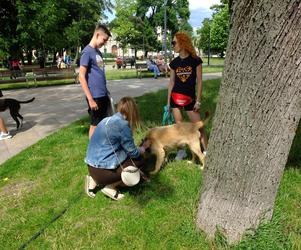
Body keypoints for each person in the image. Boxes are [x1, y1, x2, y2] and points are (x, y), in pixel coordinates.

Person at [84, 97, 150, 200]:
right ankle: (111, 186)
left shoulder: (106, 120)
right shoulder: (123, 125)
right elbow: (133, 153)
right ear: (132, 111)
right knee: (140, 160)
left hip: (91, 167)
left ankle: (93, 180)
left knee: (126, 158)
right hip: (104, 173)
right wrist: (143, 148)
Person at [167, 32, 208, 160]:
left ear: (182, 43)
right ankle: (182, 151)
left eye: (174, 43)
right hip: (175, 98)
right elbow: (171, 82)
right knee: (179, 126)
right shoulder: (174, 63)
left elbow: (200, 81)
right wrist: (168, 102)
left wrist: (198, 101)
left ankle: (206, 150)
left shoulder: (195, 60)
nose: (172, 45)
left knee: (199, 126)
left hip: (190, 99)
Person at [79, 23, 112, 138]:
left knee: (103, 124)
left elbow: (99, 73)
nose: (105, 43)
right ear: (97, 35)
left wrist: (105, 90)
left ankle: (101, 149)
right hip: (94, 96)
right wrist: (90, 99)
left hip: (103, 94)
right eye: (104, 39)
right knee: (95, 125)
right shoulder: (87, 52)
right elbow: (81, 76)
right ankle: (92, 154)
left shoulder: (98, 52)